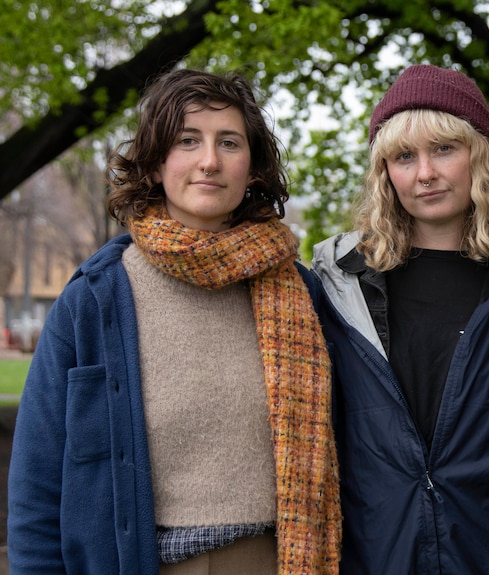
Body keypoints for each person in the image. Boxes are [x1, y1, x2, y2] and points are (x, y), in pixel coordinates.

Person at [7, 68, 340, 574]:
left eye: (229, 142)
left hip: (275, 561)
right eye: (188, 141)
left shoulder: (302, 292)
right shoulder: (95, 299)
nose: (210, 161)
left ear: (252, 169)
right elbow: (37, 479)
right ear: (157, 163)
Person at [311, 63, 489, 574]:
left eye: (444, 149)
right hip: (375, 551)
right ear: (385, 174)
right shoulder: (337, 283)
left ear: (479, 156)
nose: (425, 173)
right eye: (404, 156)